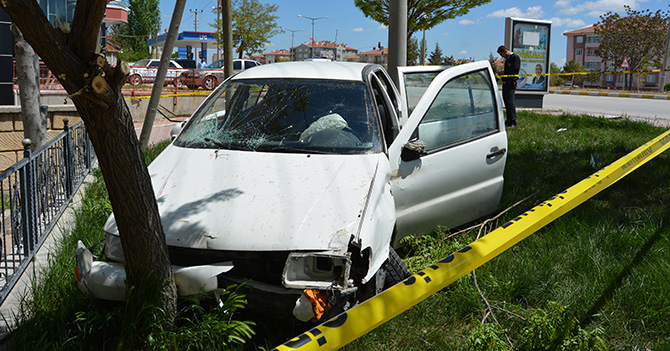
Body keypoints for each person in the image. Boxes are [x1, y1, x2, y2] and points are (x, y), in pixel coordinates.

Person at [497, 45, 520, 127]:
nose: (502, 56)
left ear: (505, 51)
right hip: (506, 82)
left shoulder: (515, 57)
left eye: (502, 54)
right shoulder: (507, 59)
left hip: (511, 82)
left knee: (510, 102)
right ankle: (509, 120)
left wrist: (505, 72)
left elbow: (515, 69)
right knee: (506, 101)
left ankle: (513, 121)